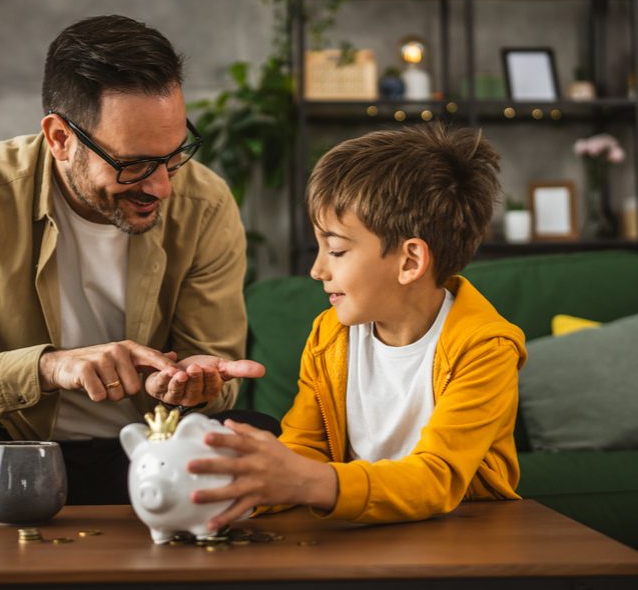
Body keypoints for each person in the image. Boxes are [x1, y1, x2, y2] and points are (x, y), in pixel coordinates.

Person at [0, 15, 273, 509]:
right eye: (134, 163)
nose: (162, 186)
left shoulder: (206, 203)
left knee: (256, 438)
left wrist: (183, 387)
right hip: (4, 451)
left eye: (175, 154)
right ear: (60, 138)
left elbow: (212, 376)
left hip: (148, 453)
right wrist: (49, 367)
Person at [185, 124, 527, 529]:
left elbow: (436, 478)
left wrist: (308, 481)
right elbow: (305, 446)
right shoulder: (329, 336)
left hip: (461, 534)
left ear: (410, 261)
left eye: (336, 250)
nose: (316, 269)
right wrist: (251, 484)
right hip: (361, 530)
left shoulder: (485, 348)